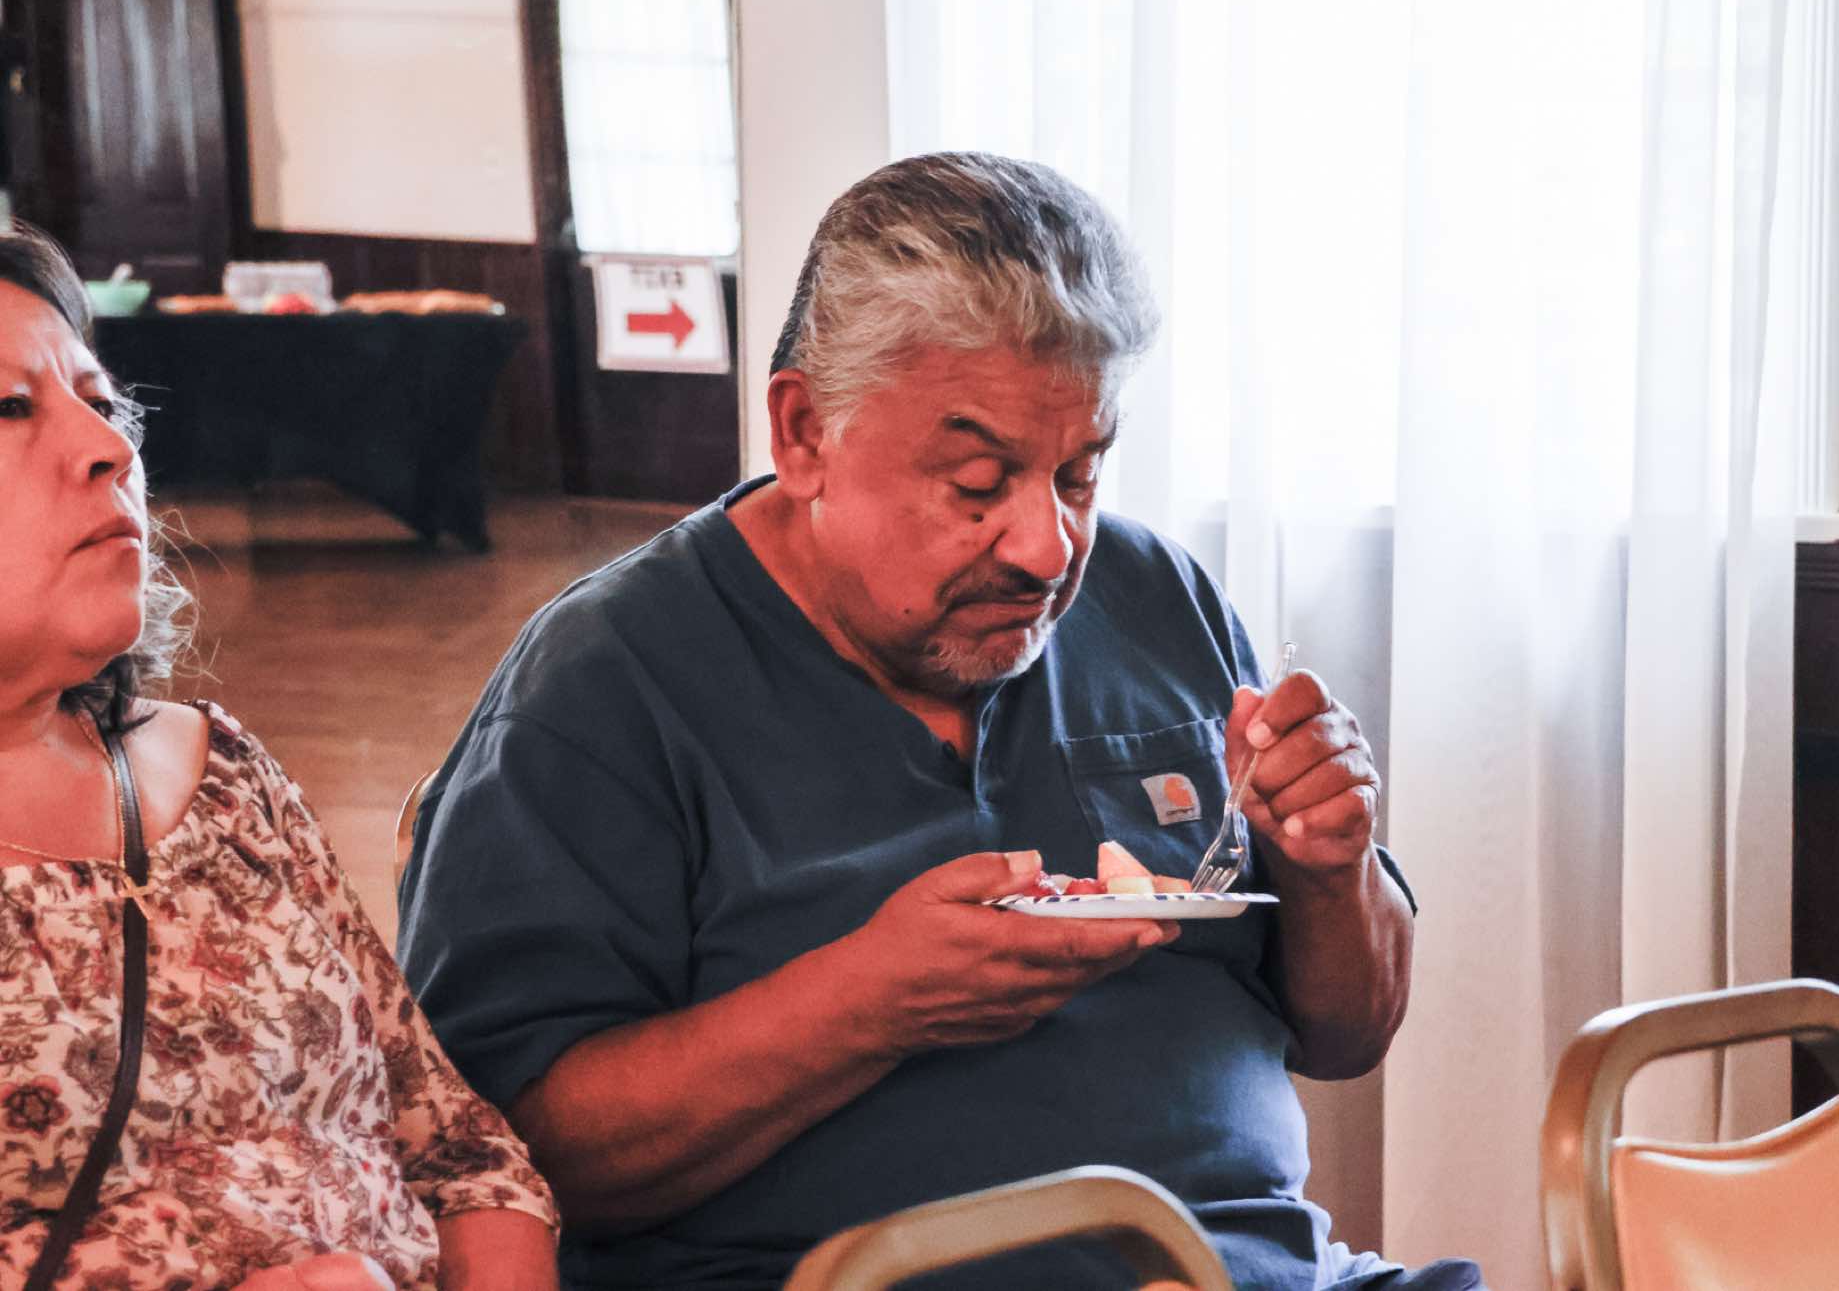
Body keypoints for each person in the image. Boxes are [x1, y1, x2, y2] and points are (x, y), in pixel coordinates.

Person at [398, 153, 1484, 1290]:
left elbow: (1348, 1036)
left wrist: (1329, 866)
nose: (1046, 548)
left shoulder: (1156, 596)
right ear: (804, 432)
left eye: (1079, 475)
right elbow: (488, 1159)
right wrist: (865, 1004)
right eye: (976, 481)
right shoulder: (606, 684)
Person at [0, 223, 560, 1290]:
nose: (108, 445)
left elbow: (466, 1160)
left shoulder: (223, 779)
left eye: (101, 399)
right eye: (8, 408)